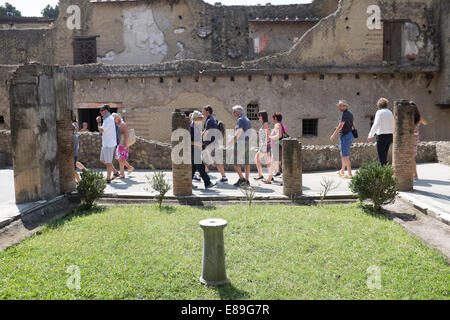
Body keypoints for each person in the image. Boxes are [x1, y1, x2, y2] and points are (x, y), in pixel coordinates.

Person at [201, 105, 228, 183]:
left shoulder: (210, 120)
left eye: (203, 111)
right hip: (212, 144)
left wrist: (200, 137)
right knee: (204, 159)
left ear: (207, 112)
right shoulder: (210, 119)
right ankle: (204, 173)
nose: (202, 112)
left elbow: (207, 132)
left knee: (216, 161)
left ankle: (224, 177)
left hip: (212, 144)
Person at [191, 111, 216, 189]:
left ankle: (188, 183)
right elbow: (188, 141)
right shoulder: (191, 127)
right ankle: (207, 183)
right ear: (195, 118)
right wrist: (198, 144)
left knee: (194, 168)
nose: (201, 119)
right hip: (193, 150)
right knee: (201, 167)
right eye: (200, 118)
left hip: (196, 150)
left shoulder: (196, 127)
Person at [228, 105, 251, 187]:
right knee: (246, 162)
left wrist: (231, 141)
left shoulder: (240, 119)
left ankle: (242, 179)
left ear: (238, 112)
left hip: (240, 143)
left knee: (235, 162)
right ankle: (247, 181)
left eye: (234, 111)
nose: (233, 113)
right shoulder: (247, 119)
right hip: (247, 142)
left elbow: (239, 132)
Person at [330, 100, 354, 179]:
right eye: (339, 106)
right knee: (343, 154)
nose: (339, 107)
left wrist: (333, 135)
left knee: (345, 156)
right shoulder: (349, 114)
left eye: (341, 106)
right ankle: (342, 170)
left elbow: (340, 126)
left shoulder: (345, 114)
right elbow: (352, 124)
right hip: (348, 135)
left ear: (345, 106)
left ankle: (349, 173)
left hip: (345, 136)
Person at [368, 98, 394, 166]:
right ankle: (386, 171)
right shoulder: (390, 112)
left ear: (379, 105)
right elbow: (393, 123)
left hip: (382, 136)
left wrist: (370, 135)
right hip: (390, 136)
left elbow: (376, 124)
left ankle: (383, 173)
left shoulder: (379, 112)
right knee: (384, 155)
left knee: (381, 156)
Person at [262, 112, 287, 184]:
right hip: (279, 146)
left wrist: (270, 137)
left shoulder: (277, 125)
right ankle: (271, 179)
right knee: (280, 164)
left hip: (277, 146)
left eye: (273, 118)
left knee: (273, 163)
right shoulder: (281, 125)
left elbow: (278, 135)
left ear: (275, 118)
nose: (272, 120)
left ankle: (269, 180)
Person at [96, 105, 117, 184]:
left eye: (102, 111)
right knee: (102, 160)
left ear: (106, 111)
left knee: (108, 162)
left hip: (109, 144)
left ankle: (108, 178)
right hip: (105, 143)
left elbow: (101, 130)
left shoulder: (108, 119)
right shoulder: (106, 119)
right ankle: (115, 172)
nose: (100, 112)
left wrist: (98, 122)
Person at [112, 113, 135, 178]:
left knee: (121, 158)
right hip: (120, 143)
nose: (113, 120)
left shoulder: (122, 124)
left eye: (113, 119)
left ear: (117, 118)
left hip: (123, 143)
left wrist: (125, 144)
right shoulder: (117, 124)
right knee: (120, 158)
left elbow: (126, 133)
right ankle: (129, 168)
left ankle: (122, 173)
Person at [412, 102, 428, 180]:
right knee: (412, 156)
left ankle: (415, 174)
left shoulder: (409, 117)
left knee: (411, 157)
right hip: (416, 137)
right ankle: (414, 174)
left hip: (410, 137)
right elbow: (425, 123)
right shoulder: (418, 117)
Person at [254, 111, 271, 181]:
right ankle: (270, 176)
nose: (259, 117)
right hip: (266, 144)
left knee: (256, 158)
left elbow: (267, 135)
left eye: (260, 115)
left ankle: (260, 175)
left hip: (264, 144)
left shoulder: (265, 124)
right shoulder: (264, 124)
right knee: (268, 161)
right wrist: (257, 132)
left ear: (263, 116)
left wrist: (264, 145)